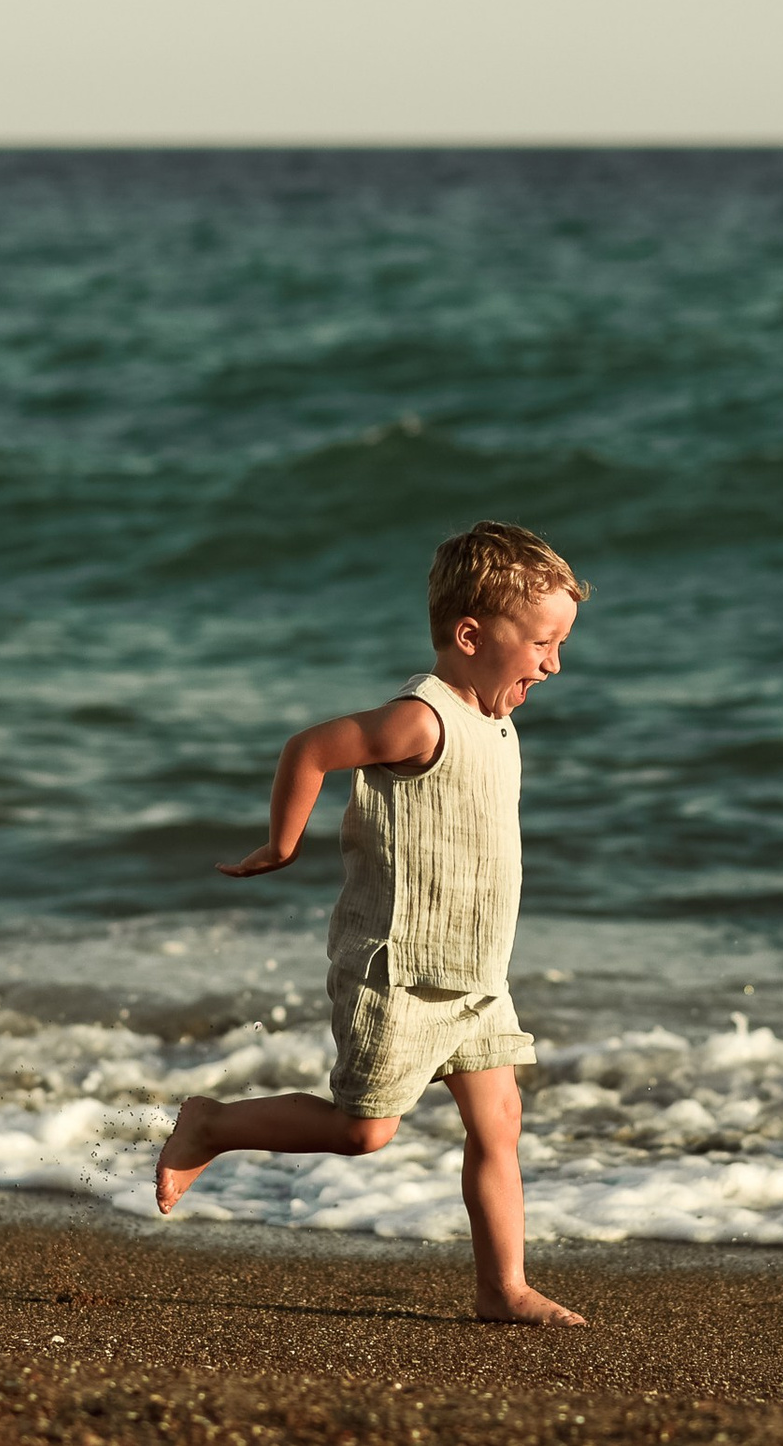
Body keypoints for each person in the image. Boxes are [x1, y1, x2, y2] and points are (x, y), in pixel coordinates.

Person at [156, 521, 589, 1327]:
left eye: (558, 644)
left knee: (499, 1122)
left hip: (476, 977)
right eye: (541, 643)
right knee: (364, 1134)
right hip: (401, 972)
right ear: (470, 635)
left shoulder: (499, 724)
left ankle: (503, 1287)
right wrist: (283, 841)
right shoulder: (422, 721)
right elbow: (311, 748)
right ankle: (210, 1124)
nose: (553, 663)